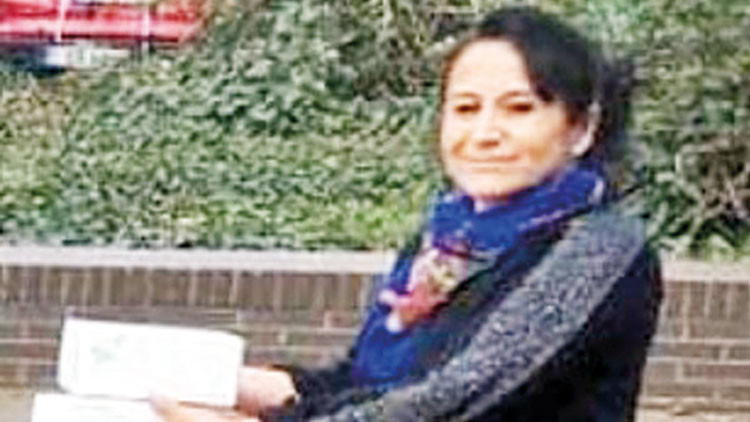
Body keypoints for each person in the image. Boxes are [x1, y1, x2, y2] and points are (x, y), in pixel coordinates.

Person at [154, 6, 662, 421]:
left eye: (518, 108)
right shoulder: (445, 241)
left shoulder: (600, 252)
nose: (485, 133)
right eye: (465, 108)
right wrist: (215, 381)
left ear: (582, 128)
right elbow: (364, 382)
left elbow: (448, 397)